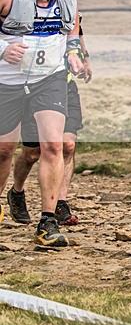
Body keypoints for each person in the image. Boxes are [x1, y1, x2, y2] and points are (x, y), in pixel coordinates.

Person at [0, 0, 83, 246]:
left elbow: (72, 23)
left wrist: (74, 52)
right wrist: (3, 49)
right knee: (4, 151)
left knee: (53, 145)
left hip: (49, 78)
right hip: (7, 82)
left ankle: (47, 222)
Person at [8, 19, 92, 225]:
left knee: (67, 146)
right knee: (32, 153)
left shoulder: (68, 8)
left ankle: (59, 204)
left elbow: (77, 35)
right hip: (36, 88)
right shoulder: (36, 15)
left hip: (66, 88)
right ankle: (17, 191)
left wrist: (85, 59)